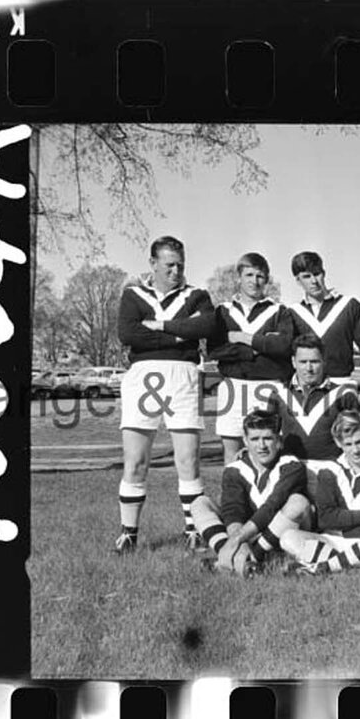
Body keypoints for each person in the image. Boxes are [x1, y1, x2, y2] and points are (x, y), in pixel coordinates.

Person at [115, 236, 214, 554]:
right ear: (153, 263)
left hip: (184, 376)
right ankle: (128, 535)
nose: (176, 271)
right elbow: (128, 334)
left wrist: (157, 326)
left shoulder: (197, 295)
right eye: (169, 265)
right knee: (136, 461)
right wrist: (180, 332)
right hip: (142, 377)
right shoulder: (133, 294)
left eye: (180, 265)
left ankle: (193, 531)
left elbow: (206, 327)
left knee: (187, 460)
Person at [145, 252, 293, 464]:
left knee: (270, 452)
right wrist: (259, 347)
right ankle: (233, 487)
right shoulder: (223, 312)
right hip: (233, 386)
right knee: (232, 453)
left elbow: (283, 347)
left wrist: (242, 339)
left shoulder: (280, 311)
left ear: (267, 279)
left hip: (270, 387)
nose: (254, 281)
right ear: (239, 277)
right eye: (249, 275)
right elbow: (215, 351)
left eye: (260, 276)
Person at [277, 410, 360, 574]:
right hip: (333, 541)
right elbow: (325, 519)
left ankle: (323, 567)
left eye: (359, 442)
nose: (355, 450)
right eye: (348, 444)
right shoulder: (329, 470)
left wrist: (343, 524)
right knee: (288, 537)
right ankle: (353, 566)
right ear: (338, 443)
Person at [189, 409, 310, 575]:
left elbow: (272, 507)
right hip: (248, 533)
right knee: (199, 503)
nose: (262, 446)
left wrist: (237, 539)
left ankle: (252, 557)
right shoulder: (234, 469)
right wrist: (239, 542)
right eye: (255, 439)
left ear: (278, 440)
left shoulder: (292, 466)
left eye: (268, 438)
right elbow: (233, 512)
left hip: (281, 532)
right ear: (245, 441)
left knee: (298, 502)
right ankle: (230, 555)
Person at [264, 334, 360, 497]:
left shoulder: (344, 395)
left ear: (324, 361)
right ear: (293, 362)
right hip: (292, 471)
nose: (309, 368)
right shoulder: (278, 393)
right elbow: (266, 434)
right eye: (303, 362)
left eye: (314, 362)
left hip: (331, 471)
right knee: (294, 508)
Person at [288, 251, 360, 413]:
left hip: (343, 386)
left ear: (324, 273)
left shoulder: (349, 306)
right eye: (307, 276)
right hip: (308, 390)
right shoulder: (292, 313)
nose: (314, 281)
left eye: (317, 274)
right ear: (298, 280)